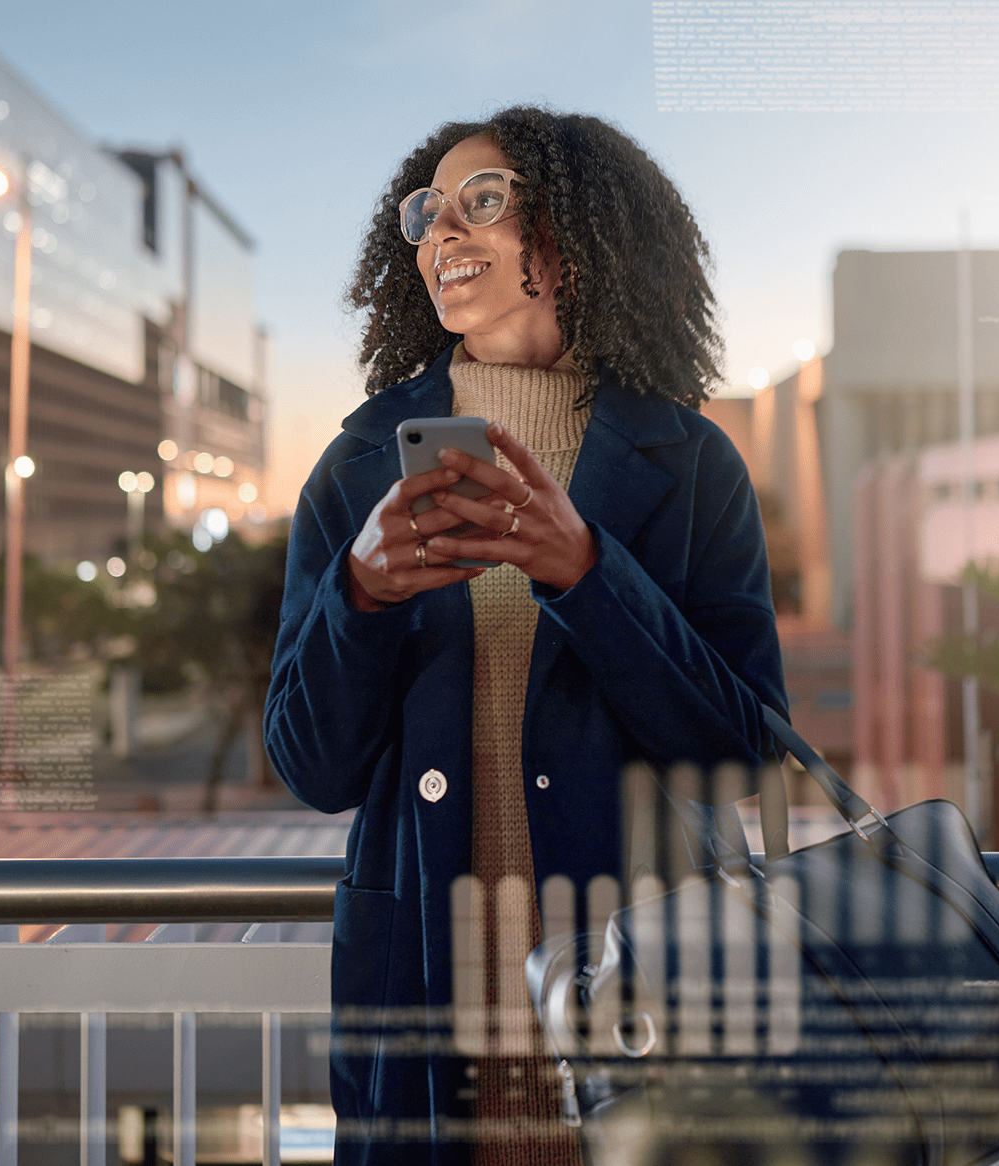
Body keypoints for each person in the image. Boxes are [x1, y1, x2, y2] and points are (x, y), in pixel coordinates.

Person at [264, 106, 788, 1166]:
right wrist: (358, 597)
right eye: (425, 212)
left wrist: (587, 574)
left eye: (483, 201)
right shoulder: (359, 466)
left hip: (647, 1014)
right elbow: (310, 764)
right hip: (426, 1003)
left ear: (572, 239)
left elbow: (741, 752)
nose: (440, 233)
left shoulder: (688, 462)